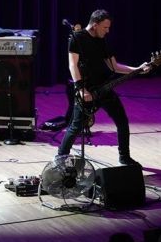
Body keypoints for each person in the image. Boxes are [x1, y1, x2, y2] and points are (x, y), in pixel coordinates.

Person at [56, 9, 152, 168]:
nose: (107, 31)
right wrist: (81, 89)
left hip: (104, 88)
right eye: (105, 27)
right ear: (95, 25)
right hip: (86, 89)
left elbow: (115, 67)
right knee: (76, 126)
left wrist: (137, 69)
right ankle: (60, 158)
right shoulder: (77, 38)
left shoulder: (102, 41)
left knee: (122, 121)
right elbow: (73, 65)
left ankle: (124, 157)